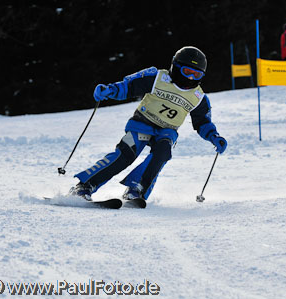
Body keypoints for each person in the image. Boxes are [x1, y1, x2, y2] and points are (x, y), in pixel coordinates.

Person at [70, 46, 227, 201]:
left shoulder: (198, 97)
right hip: (142, 124)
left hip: (166, 131)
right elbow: (129, 86)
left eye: (196, 74)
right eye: (187, 72)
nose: (191, 78)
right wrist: (110, 90)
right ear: (176, 66)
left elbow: (202, 122)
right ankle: (85, 185)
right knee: (125, 154)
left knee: (162, 153)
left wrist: (214, 137)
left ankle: (137, 189)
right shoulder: (157, 77)